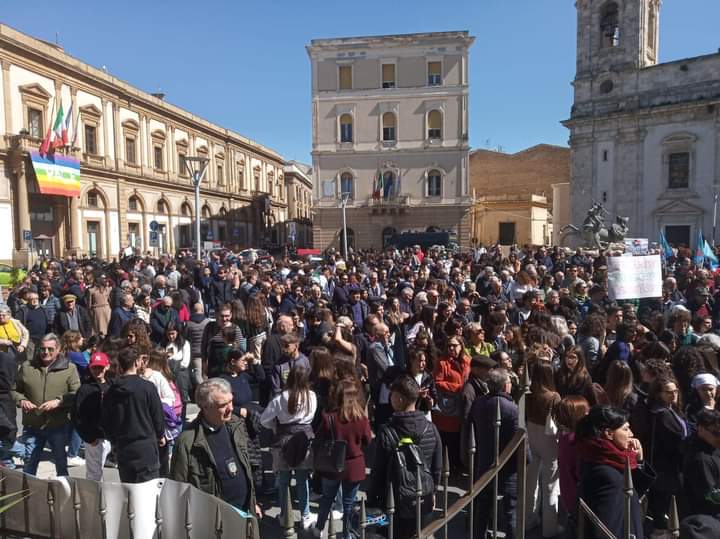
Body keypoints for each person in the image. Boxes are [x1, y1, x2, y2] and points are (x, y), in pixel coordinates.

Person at [171, 378, 261, 539]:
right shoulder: (187, 442)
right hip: (214, 526)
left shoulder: (236, 425)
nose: (231, 408)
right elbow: (178, 491)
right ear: (205, 407)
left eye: (231, 401)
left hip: (245, 516)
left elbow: (245, 467)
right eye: (223, 405)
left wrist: (252, 502)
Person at [368, 375, 442, 539]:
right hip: (423, 496)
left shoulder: (387, 432)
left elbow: (377, 471)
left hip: (395, 499)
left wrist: (373, 498)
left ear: (400, 399)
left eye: (392, 394)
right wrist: (434, 490)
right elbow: (437, 467)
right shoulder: (431, 428)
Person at [575, 405, 655, 539]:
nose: (631, 434)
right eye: (626, 429)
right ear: (609, 433)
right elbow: (607, 525)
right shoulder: (604, 471)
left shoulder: (609, 457)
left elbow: (631, 492)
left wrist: (639, 460)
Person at [11, 333, 81, 477]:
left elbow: (77, 393)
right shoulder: (27, 367)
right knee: (29, 466)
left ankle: (64, 495)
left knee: (61, 465)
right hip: (32, 426)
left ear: (58, 349)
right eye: (42, 349)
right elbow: (14, 390)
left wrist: (59, 401)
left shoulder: (69, 368)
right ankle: (28, 496)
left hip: (58, 426)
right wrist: (21, 400)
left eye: (50, 349)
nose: (46, 352)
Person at [311, 378, 372, 539]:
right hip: (354, 466)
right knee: (349, 503)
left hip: (332, 464)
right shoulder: (361, 418)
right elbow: (368, 440)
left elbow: (319, 439)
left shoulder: (328, 417)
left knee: (327, 499)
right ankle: (346, 534)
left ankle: (319, 528)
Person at [260, 364, 317, 530]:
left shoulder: (280, 398)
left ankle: (285, 514)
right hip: (304, 440)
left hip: (283, 441)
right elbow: (311, 417)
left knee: (283, 481)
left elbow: (264, 419)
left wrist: (274, 427)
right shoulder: (311, 396)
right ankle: (305, 515)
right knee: (302, 480)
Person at [102, 346, 166, 483]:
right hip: (146, 448)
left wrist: (113, 441)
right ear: (137, 363)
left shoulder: (111, 391)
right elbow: (157, 416)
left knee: (129, 492)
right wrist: (160, 435)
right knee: (148, 492)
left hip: (123, 448)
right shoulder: (147, 388)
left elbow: (106, 421)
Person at [471, 368, 519, 539]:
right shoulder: (512, 408)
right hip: (507, 466)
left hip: (484, 462)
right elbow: (519, 438)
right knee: (510, 511)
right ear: (505, 385)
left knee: (482, 508)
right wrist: (525, 460)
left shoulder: (479, 403)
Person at [645, 376, 688, 532]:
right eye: (668, 392)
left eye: (675, 391)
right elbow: (674, 441)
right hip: (668, 467)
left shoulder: (671, 410)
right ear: (658, 394)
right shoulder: (662, 414)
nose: (673, 394)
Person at [525, 362, 562, 538]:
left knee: (530, 483)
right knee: (551, 486)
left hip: (531, 438)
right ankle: (550, 528)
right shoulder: (554, 397)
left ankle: (528, 520)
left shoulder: (527, 394)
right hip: (549, 442)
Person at [433, 335, 471, 470]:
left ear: (461, 346)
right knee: (448, 437)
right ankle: (448, 466)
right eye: (449, 345)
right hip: (448, 407)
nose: (451, 348)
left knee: (461, 436)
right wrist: (458, 387)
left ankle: (460, 464)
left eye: (454, 345)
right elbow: (438, 382)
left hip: (463, 403)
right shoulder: (442, 362)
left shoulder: (467, 361)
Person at [72, 351, 112, 480]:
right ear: (90, 367)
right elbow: (77, 416)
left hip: (111, 437)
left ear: (107, 366)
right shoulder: (85, 389)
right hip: (95, 439)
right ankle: (93, 499)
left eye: (100, 367)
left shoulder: (112, 386)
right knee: (94, 474)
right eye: (94, 367)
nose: (97, 370)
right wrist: (89, 437)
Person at [682, 408, 720, 519]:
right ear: (701, 429)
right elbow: (710, 496)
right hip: (708, 520)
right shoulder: (700, 459)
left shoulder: (714, 447)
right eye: (716, 433)